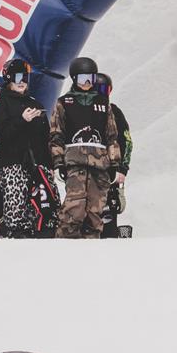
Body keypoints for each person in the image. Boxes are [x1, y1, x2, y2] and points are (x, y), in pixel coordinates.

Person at [49, 56, 122, 239]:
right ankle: (65, 242)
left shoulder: (103, 104)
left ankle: (91, 245)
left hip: (100, 164)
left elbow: (112, 136)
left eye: (91, 78)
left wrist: (115, 163)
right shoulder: (65, 103)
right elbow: (56, 135)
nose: (87, 83)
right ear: (74, 79)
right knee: (75, 207)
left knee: (95, 210)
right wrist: (58, 162)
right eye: (83, 79)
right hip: (75, 162)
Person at [0, 59, 59, 238]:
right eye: (17, 77)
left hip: (38, 164)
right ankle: (16, 238)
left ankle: (46, 237)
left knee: (48, 207)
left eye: (25, 77)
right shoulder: (2, 104)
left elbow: (45, 139)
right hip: (13, 164)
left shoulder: (36, 104)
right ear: (8, 79)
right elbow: (3, 135)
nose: (21, 81)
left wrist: (49, 165)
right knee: (16, 211)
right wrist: (22, 120)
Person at [92, 72, 132, 238]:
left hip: (110, 172)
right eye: (97, 89)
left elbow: (127, 141)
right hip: (86, 172)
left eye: (105, 89)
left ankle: (112, 237)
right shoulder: (82, 112)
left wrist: (122, 170)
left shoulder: (114, 112)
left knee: (108, 215)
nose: (101, 93)